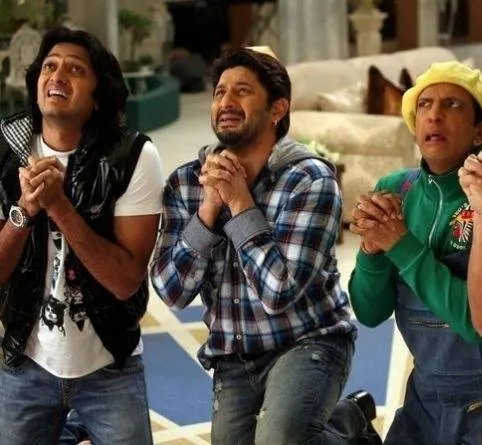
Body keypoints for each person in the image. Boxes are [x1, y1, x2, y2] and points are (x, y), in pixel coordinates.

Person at [150, 47, 381, 445]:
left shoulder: (311, 180)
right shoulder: (187, 183)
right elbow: (172, 292)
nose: (226, 101)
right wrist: (208, 211)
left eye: (242, 91)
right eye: (220, 92)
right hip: (233, 355)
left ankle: (343, 429)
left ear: (277, 110)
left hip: (309, 340)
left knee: (279, 441)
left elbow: (279, 292)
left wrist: (240, 203)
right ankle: (346, 422)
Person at [0, 27, 163, 444]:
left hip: (109, 362)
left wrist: (59, 206)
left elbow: (125, 281)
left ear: (97, 97)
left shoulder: (132, 156)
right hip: (27, 360)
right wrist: (25, 211)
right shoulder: (6, 149)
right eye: (49, 66)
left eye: (75, 70)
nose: (57, 76)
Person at [349, 60, 482, 445]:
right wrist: (372, 251)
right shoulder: (396, 190)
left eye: (452, 105)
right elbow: (369, 313)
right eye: (424, 104)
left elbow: (474, 322)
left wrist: (401, 245)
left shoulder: (479, 200)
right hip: (423, 401)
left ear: (479, 131)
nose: (434, 115)